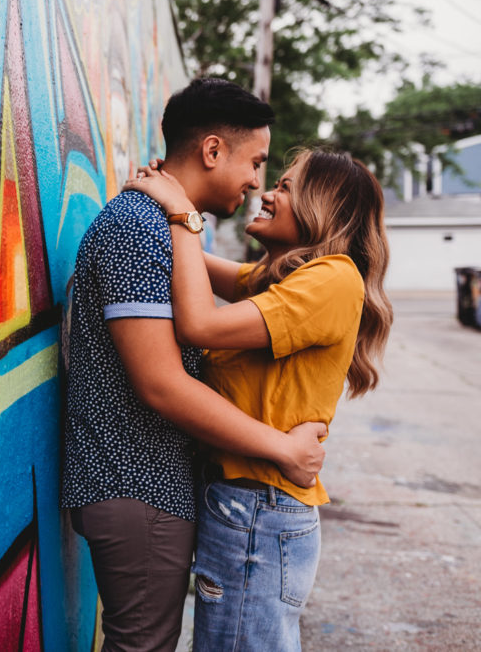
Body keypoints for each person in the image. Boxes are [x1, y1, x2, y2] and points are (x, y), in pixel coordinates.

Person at [60, 77, 327, 652]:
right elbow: (161, 384)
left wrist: (185, 218)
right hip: (136, 481)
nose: (257, 181)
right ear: (212, 150)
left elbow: (247, 285)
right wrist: (281, 448)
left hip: (144, 483)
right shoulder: (137, 228)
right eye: (255, 162)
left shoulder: (161, 227)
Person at [126, 148, 393, 651]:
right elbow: (194, 268)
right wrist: (162, 206)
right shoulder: (287, 276)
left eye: (286, 187)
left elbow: (199, 323)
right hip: (247, 508)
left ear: (323, 207)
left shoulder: (332, 278)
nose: (266, 192)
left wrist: (183, 213)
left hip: (257, 513)